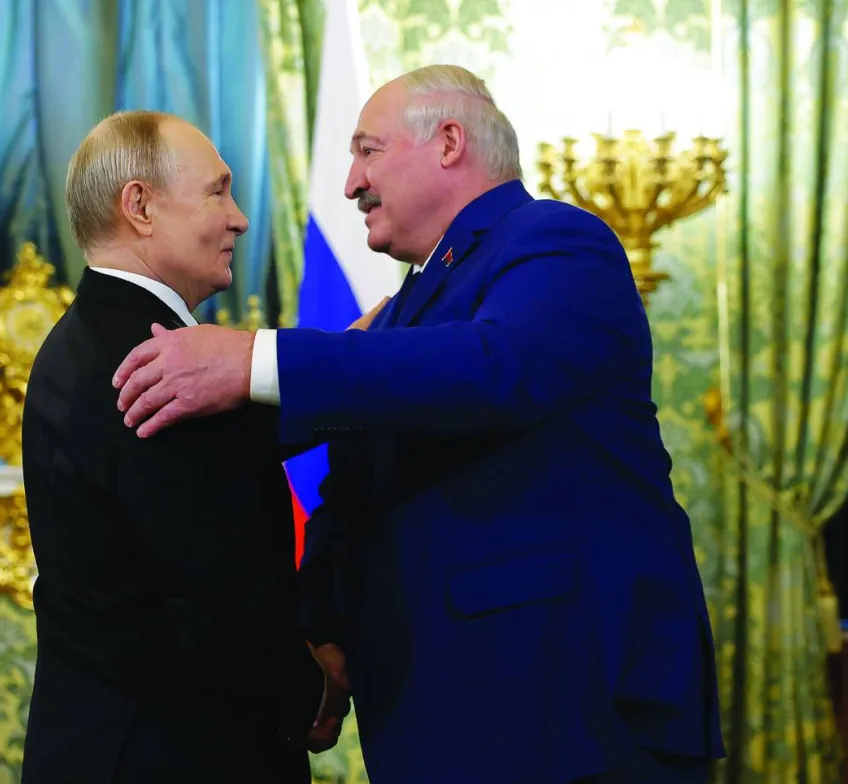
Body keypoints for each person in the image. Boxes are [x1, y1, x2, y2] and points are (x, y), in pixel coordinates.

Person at [111, 67, 725, 783]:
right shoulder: (407, 307)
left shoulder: (558, 240)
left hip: (563, 705)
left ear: (449, 142)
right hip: (449, 714)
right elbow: (356, 482)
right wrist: (323, 629)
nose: (351, 184)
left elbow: (494, 369)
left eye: (367, 152)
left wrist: (256, 357)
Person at [20, 110, 347, 784]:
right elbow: (215, 590)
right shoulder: (160, 364)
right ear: (140, 206)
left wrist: (372, 350)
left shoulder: (90, 340)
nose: (240, 219)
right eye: (217, 191)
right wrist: (311, 692)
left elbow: (257, 433)